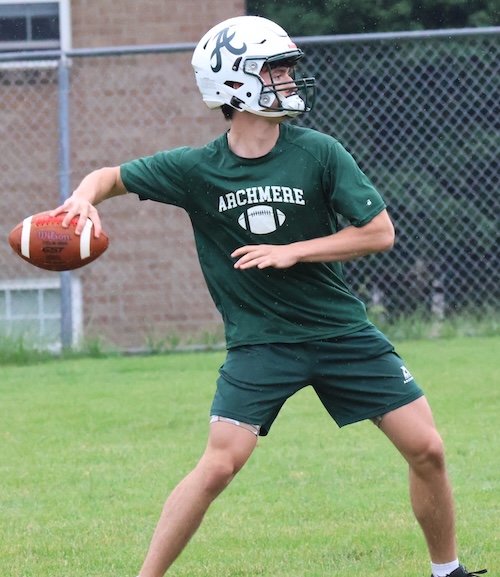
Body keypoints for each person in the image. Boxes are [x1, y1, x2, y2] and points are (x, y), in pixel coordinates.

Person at [51, 16, 487, 577]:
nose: (288, 80)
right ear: (233, 83)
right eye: (275, 70)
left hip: (340, 332)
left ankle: (447, 572)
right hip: (261, 343)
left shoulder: (319, 152)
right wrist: (82, 199)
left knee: (428, 449)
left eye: (287, 69)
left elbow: (379, 233)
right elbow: (109, 176)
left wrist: (293, 251)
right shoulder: (197, 168)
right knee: (219, 466)